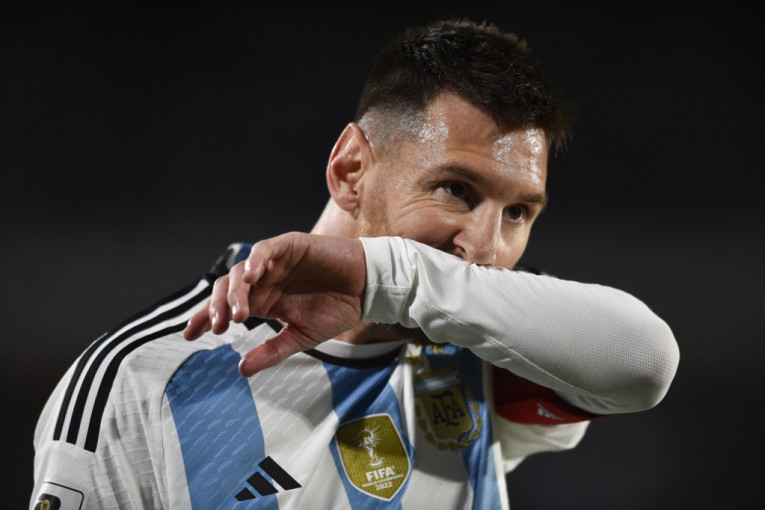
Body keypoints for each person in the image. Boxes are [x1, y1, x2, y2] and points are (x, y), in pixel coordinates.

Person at [31, 19, 679, 509]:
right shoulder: (139, 381)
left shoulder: (484, 334)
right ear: (350, 170)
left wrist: (388, 278)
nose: (484, 250)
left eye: (518, 212)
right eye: (456, 190)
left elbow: (646, 362)